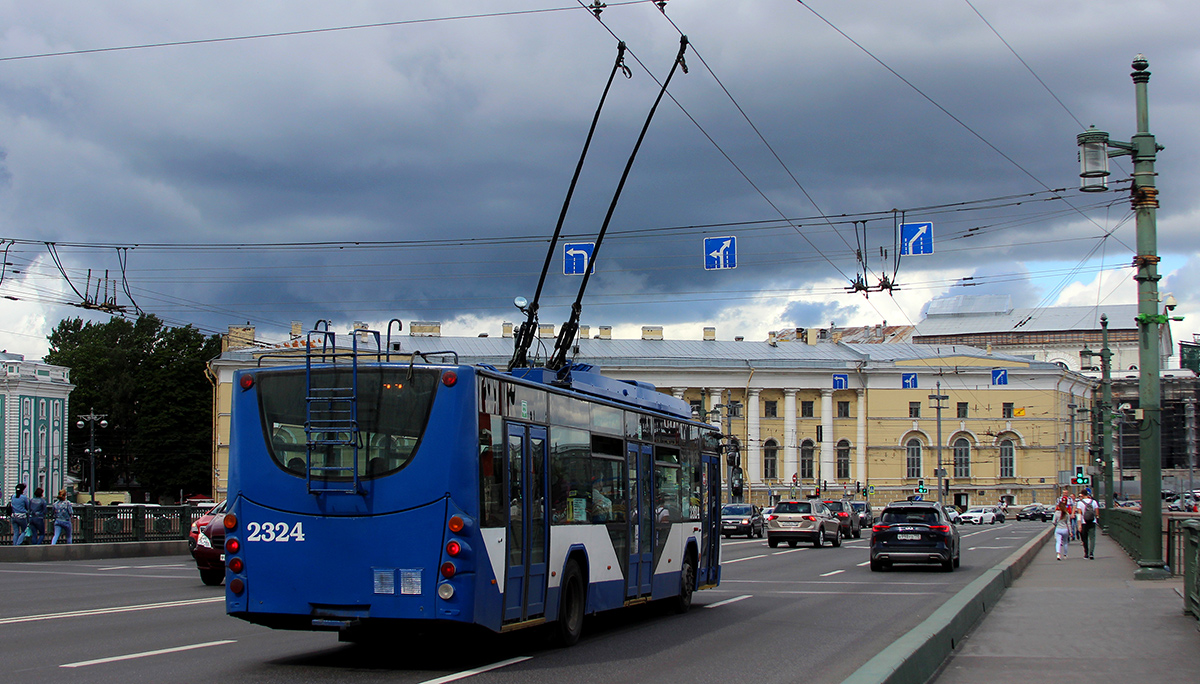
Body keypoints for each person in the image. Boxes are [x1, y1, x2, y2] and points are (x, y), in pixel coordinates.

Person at [1076, 488, 1099, 559]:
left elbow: (1079, 515)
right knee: (1092, 538)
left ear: (1082, 495)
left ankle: (1086, 553)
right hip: (1092, 521)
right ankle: (1091, 553)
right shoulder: (1094, 502)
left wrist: (1079, 525)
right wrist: (1096, 519)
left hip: (1084, 522)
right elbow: (1097, 513)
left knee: (1084, 538)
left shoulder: (1080, 503)